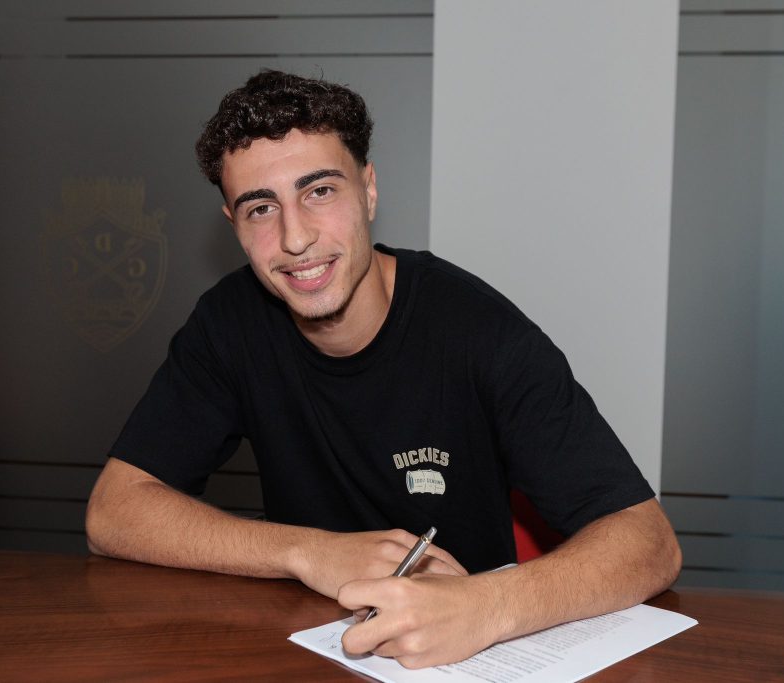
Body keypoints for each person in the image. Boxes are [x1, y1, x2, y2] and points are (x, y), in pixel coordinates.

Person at [86, 69, 681, 668]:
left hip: (457, 660)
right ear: (234, 226)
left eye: (320, 191)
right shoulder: (229, 322)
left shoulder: (478, 330)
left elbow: (649, 542)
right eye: (261, 208)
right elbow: (114, 512)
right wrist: (306, 552)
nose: (295, 238)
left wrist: (485, 606)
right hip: (305, 648)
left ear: (368, 191)